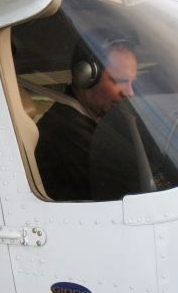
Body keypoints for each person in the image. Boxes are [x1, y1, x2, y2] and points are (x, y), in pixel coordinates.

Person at [35, 30, 137, 201]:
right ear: (85, 76)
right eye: (120, 81)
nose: (130, 92)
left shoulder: (87, 123)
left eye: (132, 83)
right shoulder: (66, 132)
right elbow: (120, 193)